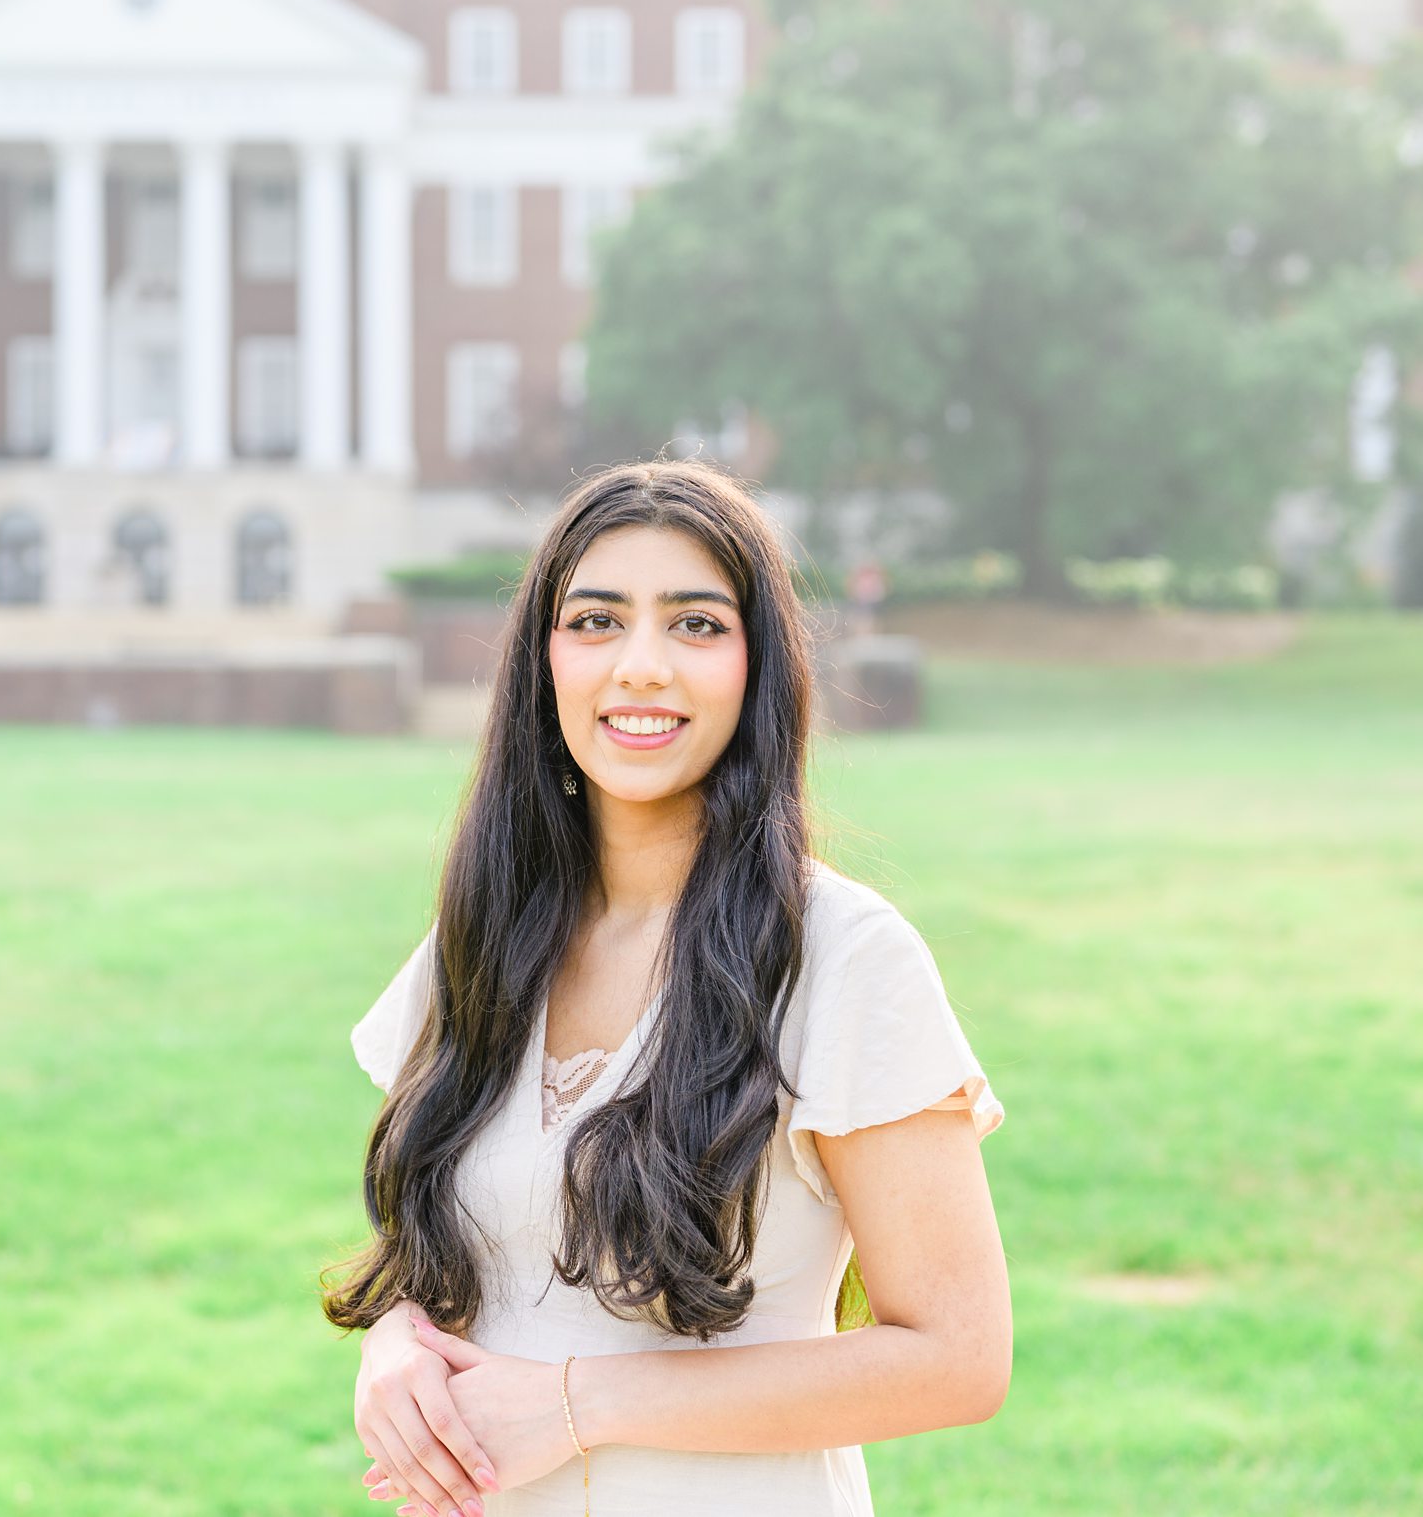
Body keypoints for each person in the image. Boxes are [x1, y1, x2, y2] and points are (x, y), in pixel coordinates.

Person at [322, 458, 1010, 1517]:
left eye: (695, 625)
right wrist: (393, 1347)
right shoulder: (486, 935)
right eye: (596, 621)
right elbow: (451, 1252)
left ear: (758, 666)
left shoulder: (847, 958)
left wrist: (577, 1403)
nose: (641, 665)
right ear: (543, 662)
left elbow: (958, 1357)